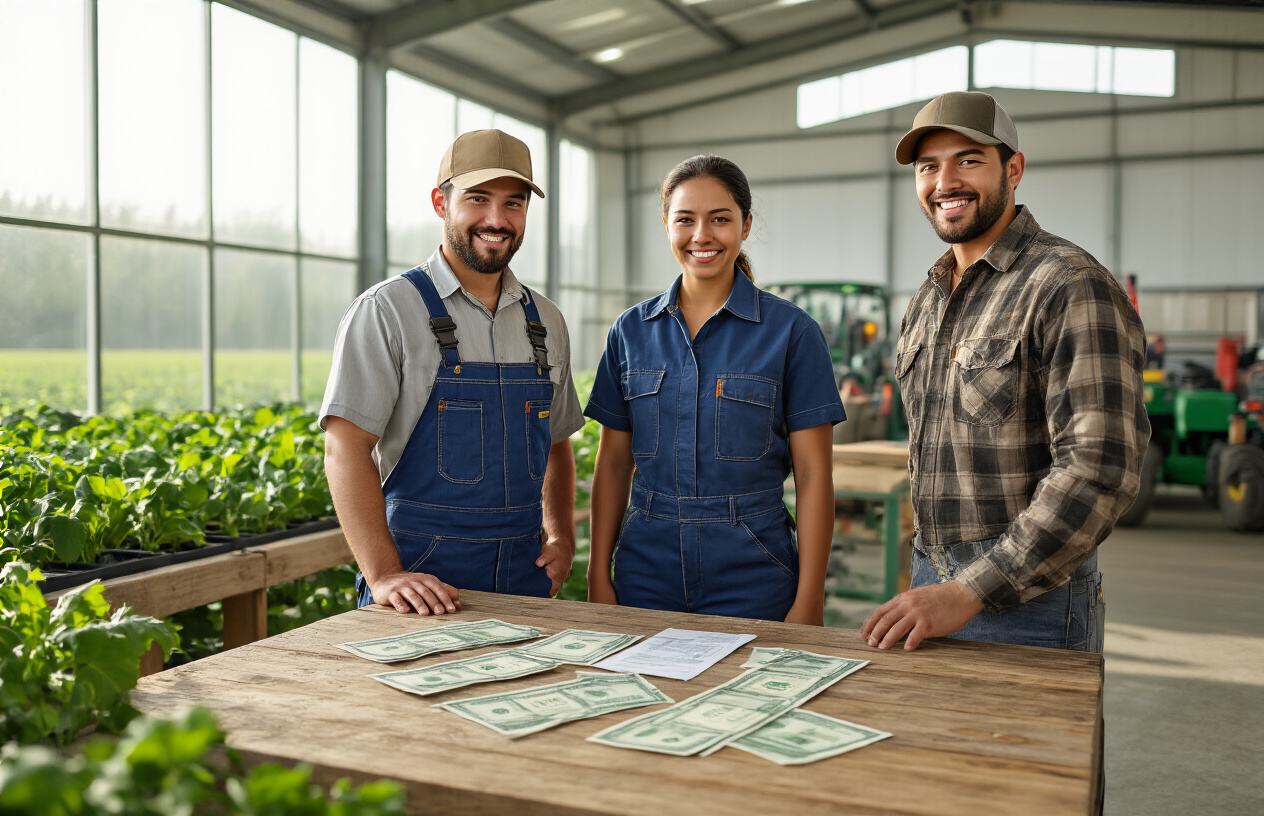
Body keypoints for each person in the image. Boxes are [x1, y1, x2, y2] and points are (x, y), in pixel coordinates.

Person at [860, 92, 1149, 652]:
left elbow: (1099, 469)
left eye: (968, 160)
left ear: (1013, 168)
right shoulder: (927, 299)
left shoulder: (1067, 283)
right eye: (928, 167)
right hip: (929, 582)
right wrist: (939, 585)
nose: (945, 181)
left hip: (1030, 603)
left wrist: (969, 590)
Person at [320, 129, 585, 615]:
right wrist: (384, 574)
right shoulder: (387, 310)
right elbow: (344, 447)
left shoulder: (545, 320)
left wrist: (563, 538)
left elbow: (556, 443)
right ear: (441, 202)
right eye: (478, 199)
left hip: (524, 582)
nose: (497, 219)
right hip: (419, 585)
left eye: (514, 203)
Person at [583, 155, 846, 624]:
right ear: (666, 225)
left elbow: (812, 476)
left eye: (720, 219)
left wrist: (809, 599)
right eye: (685, 220)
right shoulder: (631, 332)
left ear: (745, 225)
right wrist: (598, 577)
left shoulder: (791, 333)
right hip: (645, 567)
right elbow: (614, 463)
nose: (701, 235)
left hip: (754, 570)